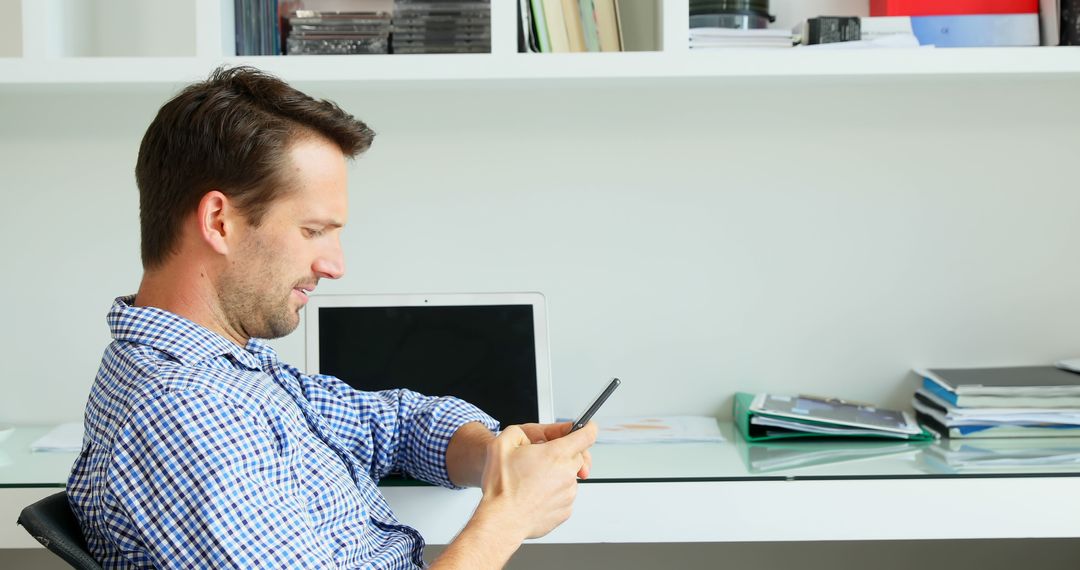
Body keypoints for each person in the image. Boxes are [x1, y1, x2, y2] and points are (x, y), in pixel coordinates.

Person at [67, 66, 597, 569]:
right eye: (313, 230)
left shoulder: (231, 368)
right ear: (219, 222)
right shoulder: (184, 413)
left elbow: (389, 423)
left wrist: (494, 456)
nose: (335, 265)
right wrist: (508, 515)